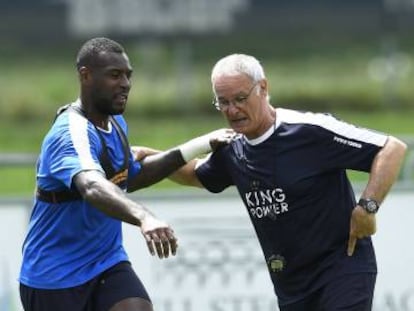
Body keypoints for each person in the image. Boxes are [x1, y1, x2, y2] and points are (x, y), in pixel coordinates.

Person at [166, 54, 407, 310]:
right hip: (291, 285)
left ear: (263, 88)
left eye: (240, 98)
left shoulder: (309, 130)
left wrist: (367, 206)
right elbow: (194, 174)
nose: (232, 110)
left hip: (342, 267)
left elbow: (392, 149)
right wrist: (146, 158)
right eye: (223, 102)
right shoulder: (231, 147)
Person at [18, 37, 234, 311]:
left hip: (106, 262)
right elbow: (92, 187)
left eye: (128, 76)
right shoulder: (70, 132)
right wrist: (145, 217)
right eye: (114, 75)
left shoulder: (115, 122)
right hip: (55, 277)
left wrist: (201, 144)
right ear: (85, 76)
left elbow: (130, 177)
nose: (126, 84)